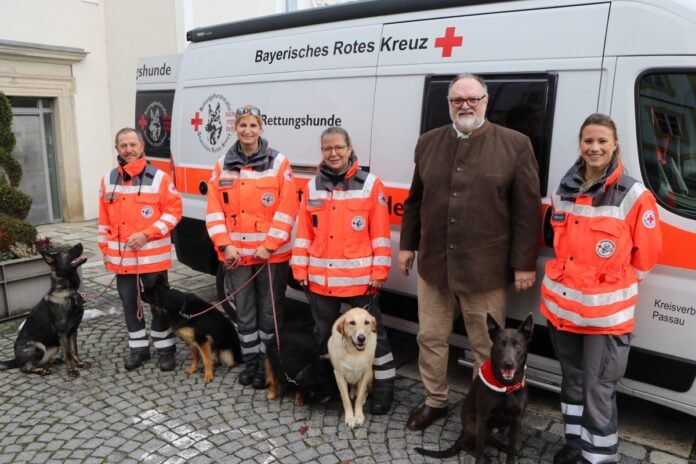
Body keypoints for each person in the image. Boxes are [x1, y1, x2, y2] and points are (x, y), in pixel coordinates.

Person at [398, 73, 541, 431]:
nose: (464, 105)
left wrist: (524, 263)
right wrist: (407, 246)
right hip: (434, 265)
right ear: (448, 104)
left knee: (487, 347)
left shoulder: (515, 144)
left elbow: (527, 210)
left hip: (485, 269)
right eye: (457, 100)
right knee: (430, 338)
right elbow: (415, 200)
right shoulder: (428, 143)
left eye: (472, 99)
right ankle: (435, 401)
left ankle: (486, 411)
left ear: (486, 102)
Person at [542, 113, 662, 464]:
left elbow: (647, 256)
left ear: (614, 145)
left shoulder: (633, 194)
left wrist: (609, 287)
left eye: (601, 141)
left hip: (605, 318)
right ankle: (575, 444)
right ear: (580, 144)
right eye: (588, 141)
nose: (594, 148)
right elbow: (560, 246)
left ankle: (599, 457)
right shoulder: (564, 190)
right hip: (563, 313)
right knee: (573, 383)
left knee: (598, 390)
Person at [291, 126, 396, 414]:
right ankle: (330, 387)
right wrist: (300, 269)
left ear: (350, 149)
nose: (333, 153)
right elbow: (304, 234)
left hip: (362, 283)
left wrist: (379, 273)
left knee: (375, 337)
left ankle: (384, 391)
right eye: (327, 148)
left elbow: (381, 236)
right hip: (321, 283)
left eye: (339, 147)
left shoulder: (370, 185)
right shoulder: (312, 187)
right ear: (322, 152)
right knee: (325, 336)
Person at [206, 105, 298, 389]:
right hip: (236, 258)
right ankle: (252, 364)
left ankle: (270, 367)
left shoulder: (278, 163)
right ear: (236, 128)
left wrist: (269, 246)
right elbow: (214, 211)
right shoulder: (222, 164)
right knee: (245, 315)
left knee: (269, 314)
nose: (247, 131)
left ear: (261, 128)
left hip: (270, 257)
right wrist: (225, 246)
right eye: (243, 126)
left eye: (253, 126)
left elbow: (287, 210)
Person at [98, 127, 182, 371]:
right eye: (123, 145)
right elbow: (103, 220)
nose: (128, 149)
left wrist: (147, 233)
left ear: (142, 146)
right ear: (117, 149)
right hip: (122, 262)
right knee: (129, 304)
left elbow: (174, 212)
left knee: (159, 305)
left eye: (132, 144)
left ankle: (166, 349)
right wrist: (105, 248)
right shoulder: (107, 180)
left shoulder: (160, 178)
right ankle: (139, 350)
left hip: (152, 260)